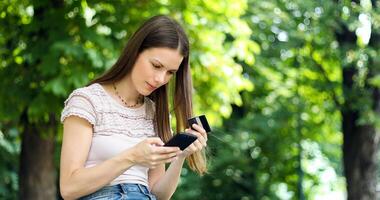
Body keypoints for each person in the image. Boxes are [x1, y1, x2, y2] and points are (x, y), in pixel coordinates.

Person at [59, 15, 208, 200]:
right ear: (135, 52)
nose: (161, 79)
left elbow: (158, 194)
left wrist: (180, 156)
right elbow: (69, 188)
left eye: (170, 72)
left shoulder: (155, 113)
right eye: (156, 65)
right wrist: (133, 156)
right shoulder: (88, 101)